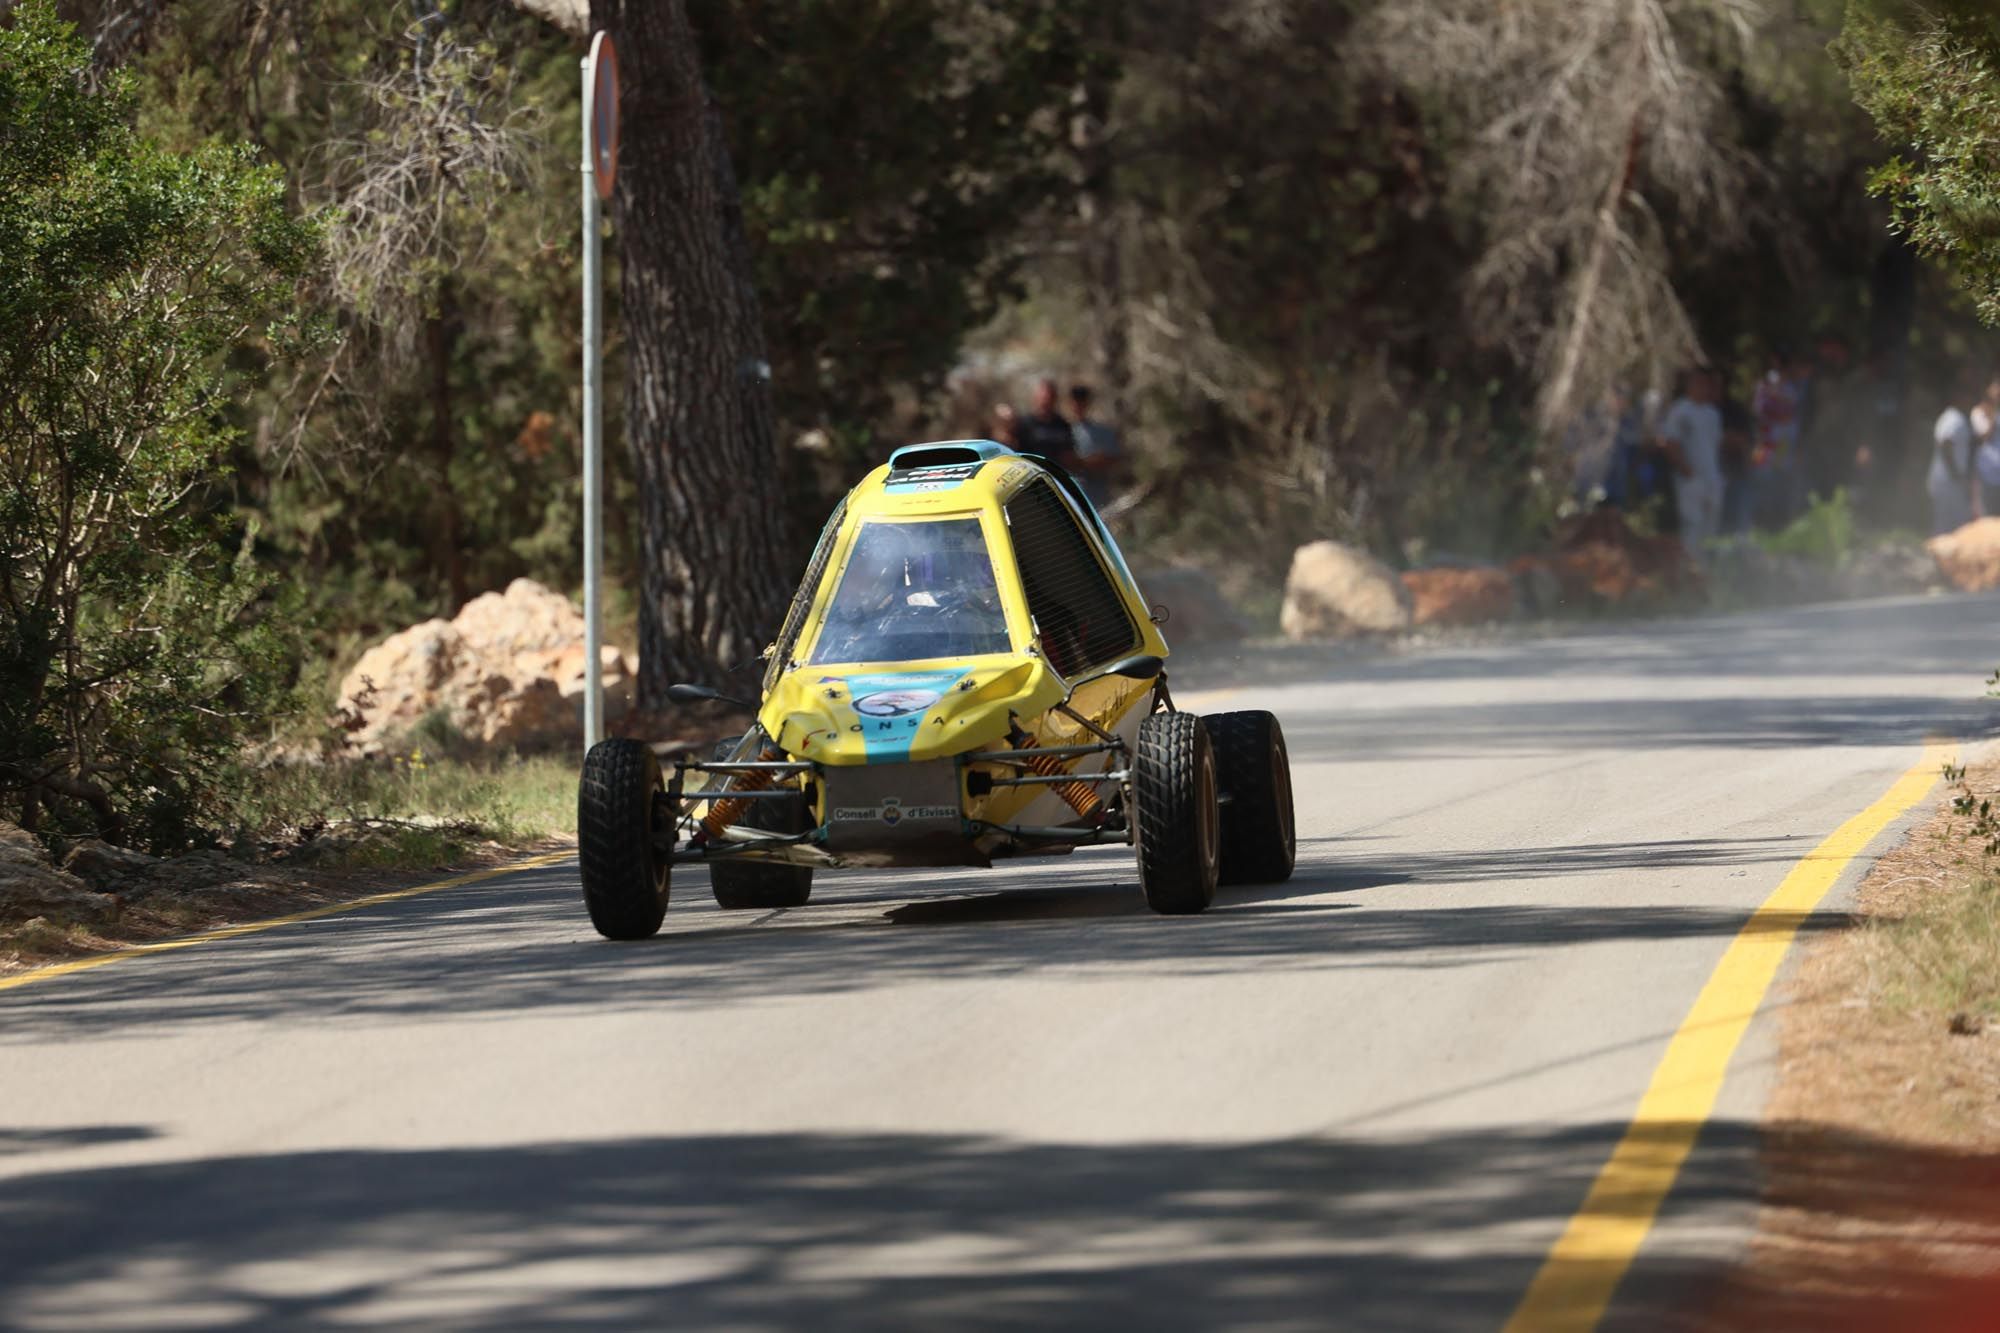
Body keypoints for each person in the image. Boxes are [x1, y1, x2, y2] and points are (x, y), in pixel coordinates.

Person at [1658, 368, 1725, 559]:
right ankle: (1689, 573)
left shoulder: (1713, 414)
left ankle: (1704, 573)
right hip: (1690, 480)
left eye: (1706, 384)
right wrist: (1687, 473)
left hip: (1712, 478)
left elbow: (1715, 446)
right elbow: (1671, 443)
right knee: (1692, 527)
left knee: (1710, 528)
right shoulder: (1680, 411)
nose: (1703, 388)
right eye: (1699, 383)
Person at [1928, 373, 1980, 535]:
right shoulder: (1953, 418)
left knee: (1952, 521)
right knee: (1948, 522)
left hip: (1950, 479)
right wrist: (1955, 473)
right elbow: (1945, 444)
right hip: (1947, 479)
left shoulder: (1958, 418)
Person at [1066, 384, 1124, 508]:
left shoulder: (1102, 432)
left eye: (1081, 401)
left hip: (1098, 497)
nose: (1078, 405)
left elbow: (1113, 458)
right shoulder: (1062, 431)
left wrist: (1085, 462)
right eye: (1075, 401)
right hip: (1070, 496)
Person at [1014, 378, 1075, 462]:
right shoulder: (1024, 424)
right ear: (1035, 398)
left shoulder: (1063, 424)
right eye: (1044, 398)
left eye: (1050, 397)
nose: (1046, 401)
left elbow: (1069, 452)